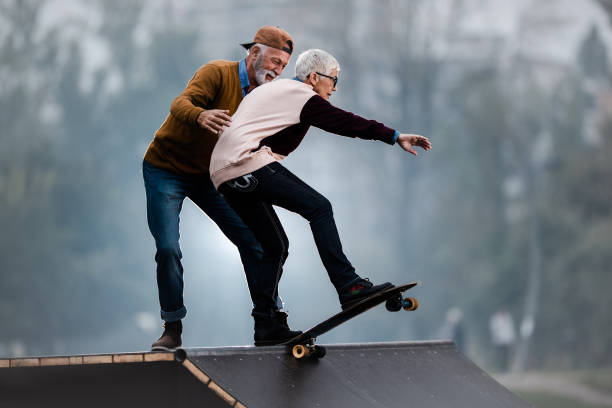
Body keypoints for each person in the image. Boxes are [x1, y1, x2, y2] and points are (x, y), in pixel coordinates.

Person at [210, 49, 431, 346]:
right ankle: (348, 286)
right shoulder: (300, 93)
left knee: (274, 246)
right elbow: (344, 122)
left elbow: (268, 135)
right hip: (243, 163)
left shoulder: (278, 93)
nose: (335, 88)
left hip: (223, 174)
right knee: (319, 207)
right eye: (333, 80)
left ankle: (266, 325)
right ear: (314, 78)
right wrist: (393, 135)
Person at [143, 26, 296, 350]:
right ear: (254, 53)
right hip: (165, 169)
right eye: (273, 61)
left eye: (282, 67)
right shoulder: (217, 73)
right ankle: (172, 327)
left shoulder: (265, 97)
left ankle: (268, 321)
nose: (276, 70)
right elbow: (180, 104)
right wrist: (200, 116)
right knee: (168, 248)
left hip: (211, 176)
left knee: (255, 242)